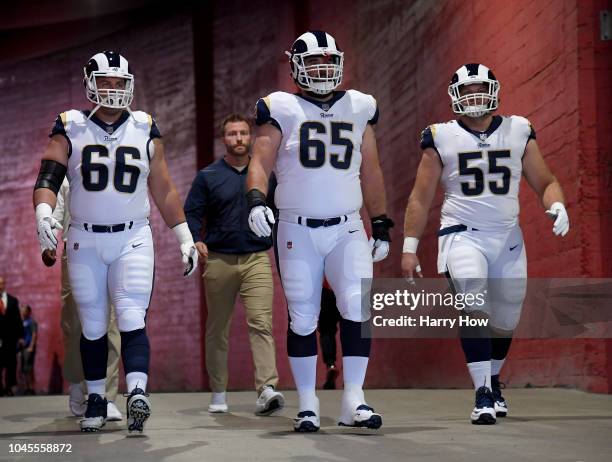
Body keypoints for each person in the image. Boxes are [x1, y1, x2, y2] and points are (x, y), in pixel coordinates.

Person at [33, 51, 198, 433]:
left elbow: (165, 189)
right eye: (105, 81)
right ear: (89, 82)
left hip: (132, 236)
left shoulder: (144, 125)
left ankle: (137, 391)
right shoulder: (70, 124)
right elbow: (49, 175)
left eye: (119, 82)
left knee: (130, 317)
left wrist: (185, 237)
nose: (112, 89)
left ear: (130, 85)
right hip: (84, 237)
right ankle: (95, 397)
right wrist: (44, 213)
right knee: (92, 325)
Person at [401, 63, 569, 425]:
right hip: (461, 234)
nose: (475, 96)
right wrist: (409, 246)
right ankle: (481, 393)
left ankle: (492, 379)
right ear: (454, 97)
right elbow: (420, 196)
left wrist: (556, 203)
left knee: (507, 315)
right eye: (468, 90)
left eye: (481, 88)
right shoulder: (441, 136)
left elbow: (545, 180)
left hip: (507, 236)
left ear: (494, 90)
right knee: (473, 302)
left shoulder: (518, 129)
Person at [246, 31, 393, 432]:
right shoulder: (282, 107)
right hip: (297, 228)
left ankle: (354, 400)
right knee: (303, 317)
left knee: (358, 311)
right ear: (296, 66)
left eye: (328, 61)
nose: (322, 69)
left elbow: (372, 168)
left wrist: (379, 220)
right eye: (313, 63)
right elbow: (260, 160)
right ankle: (308, 403)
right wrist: (256, 199)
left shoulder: (359, 106)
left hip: (348, 225)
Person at [184, 113, 284, 415]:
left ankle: (266, 388)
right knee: (218, 329)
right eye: (232, 134)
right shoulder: (208, 176)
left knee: (261, 323)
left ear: (250, 136)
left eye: (243, 133)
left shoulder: (268, 175)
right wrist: (193, 240)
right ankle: (218, 392)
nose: (238, 138)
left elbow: (282, 212)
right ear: (223, 138)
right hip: (218, 260)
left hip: (257, 259)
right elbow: (191, 214)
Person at [45, 178, 122, 420]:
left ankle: (107, 397)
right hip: (75, 247)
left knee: (109, 322)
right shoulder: (67, 164)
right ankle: (78, 381)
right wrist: (47, 243)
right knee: (74, 324)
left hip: (111, 246)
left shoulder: (113, 158)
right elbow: (55, 210)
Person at [0, 276, 24, 397]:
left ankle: (9, 388)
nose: (0, 286)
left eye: (2, 283)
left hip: (10, 338)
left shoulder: (13, 301)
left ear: (4, 285)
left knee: (10, 364)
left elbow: (18, 320)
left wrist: (20, 337)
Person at [318, 285, 341, 390]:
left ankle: (330, 364)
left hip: (326, 288)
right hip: (347, 285)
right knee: (351, 330)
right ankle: (353, 377)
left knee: (326, 330)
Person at [19, 305, 37, 395]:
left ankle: (31, 387)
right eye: (21, 310)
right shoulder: (22, 322)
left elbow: (34, 334)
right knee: (23, 369)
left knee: (28, 368)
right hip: (23, 348)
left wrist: (31, 346)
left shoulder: (31, 322)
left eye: (24, 310)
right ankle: (26, 387)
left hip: (28, 348)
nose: (22, 312)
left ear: (29, 312)